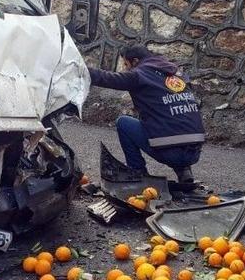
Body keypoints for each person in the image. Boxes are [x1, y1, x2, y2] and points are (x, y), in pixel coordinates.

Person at [88, 45, 205, 183]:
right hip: (194, 151)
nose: (126, 69)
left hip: (172, 153)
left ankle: (138, 174)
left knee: (124, 123)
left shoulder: (140, 74)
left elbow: (107, 78)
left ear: (135, 61)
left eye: (126, 64)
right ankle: (184, 171)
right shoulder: (177, 75)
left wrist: (81, 69)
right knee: (172, 116)